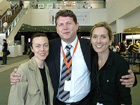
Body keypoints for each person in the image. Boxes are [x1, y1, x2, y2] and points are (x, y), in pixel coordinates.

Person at [10, 10, 136, 105]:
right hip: (57, 102)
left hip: (85, 102)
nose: (65, 28)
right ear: (57, 29)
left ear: (77, 25)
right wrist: (19, 74)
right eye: (61, 24)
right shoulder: (50, 47)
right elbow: (35, 62)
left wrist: (131, 78)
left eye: (69, 23)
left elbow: (109, 63)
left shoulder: (90, 46)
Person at [90, 22, 132, 105]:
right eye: (95, 37)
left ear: (110, 40)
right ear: (91, 40)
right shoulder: (90, 60)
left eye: (103, 37)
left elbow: (125, 98)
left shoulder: (120, 64)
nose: (98, 41)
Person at [8, 33, 54, 105]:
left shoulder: (49, 69)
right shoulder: (24, 70)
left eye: (45, 45)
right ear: (32, 48)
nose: (42, 49)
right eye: (37, 46)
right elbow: (15, 100)